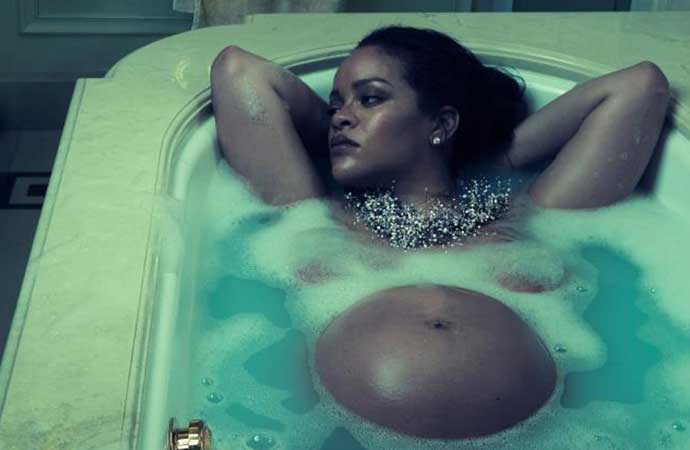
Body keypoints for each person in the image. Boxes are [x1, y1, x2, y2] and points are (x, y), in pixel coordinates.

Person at [209, 25, 670, 439]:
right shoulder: (314, 211)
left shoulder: (520, 214)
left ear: (442, 123)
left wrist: (493, 158)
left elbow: (639, 88)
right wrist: (342, 141)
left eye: (370, 98)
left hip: (561, 435)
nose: (340, 117)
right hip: (328, 435)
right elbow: (237, 71)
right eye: (334, 106)